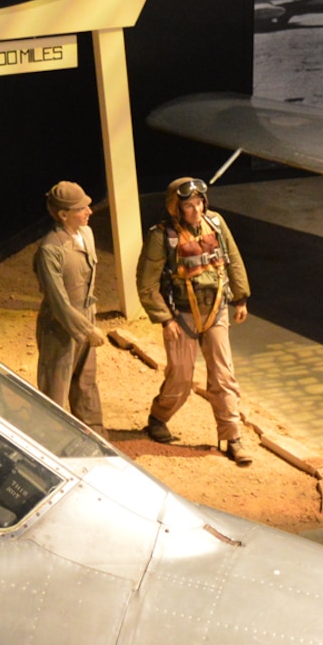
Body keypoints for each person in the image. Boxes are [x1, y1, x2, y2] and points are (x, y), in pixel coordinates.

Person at [137, 176, 254, 465]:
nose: (195, 211)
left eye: (199, 203)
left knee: (224, 375)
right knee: (180, 377)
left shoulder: (216, 223)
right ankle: (158, 418)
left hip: (215, 311)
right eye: (187, 205)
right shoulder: (161, 236)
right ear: (176, 208)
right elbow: (147, 284)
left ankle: (232, 436)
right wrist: (166, 320)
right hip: (182, 317)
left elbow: (233, 260)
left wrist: (240, 298)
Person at [33, 181, 105, 429]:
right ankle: (50, 442)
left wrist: (90, 321)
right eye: (81, 208)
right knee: (56, 386)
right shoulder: (50, 250)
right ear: (63, 215)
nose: (89, 212)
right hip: (59, 328)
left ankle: (95, 436)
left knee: (86, 381)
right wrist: (87, 329)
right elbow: (58, 302)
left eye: (88, 206)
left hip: (86, 316)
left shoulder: (87, 235)